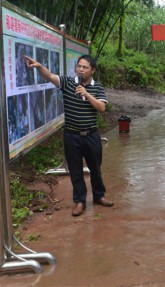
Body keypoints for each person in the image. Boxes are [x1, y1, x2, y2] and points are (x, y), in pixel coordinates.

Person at [24, 54, 113, 217]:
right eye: (79, 66)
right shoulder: (67, 82)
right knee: (75, 169)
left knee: (95, 167)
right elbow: (51, 76)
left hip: (91, 134)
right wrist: (38, 66)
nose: (81, 69)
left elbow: (101, 107)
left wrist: (86, 93)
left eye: (85, 67)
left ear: (92, 70)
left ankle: (99, 196)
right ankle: (79, 201)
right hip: (72, 135)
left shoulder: (97, 87)